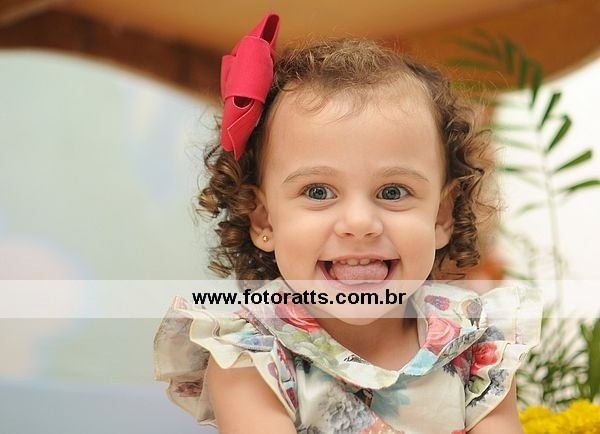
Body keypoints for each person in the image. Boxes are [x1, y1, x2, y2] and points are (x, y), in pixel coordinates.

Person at [154, 12, 542, 434]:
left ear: (441, 215)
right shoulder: (249, 354)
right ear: (263, 219)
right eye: (319, 191)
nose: (359, 223)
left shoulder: (475, 340)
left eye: (392, 192)